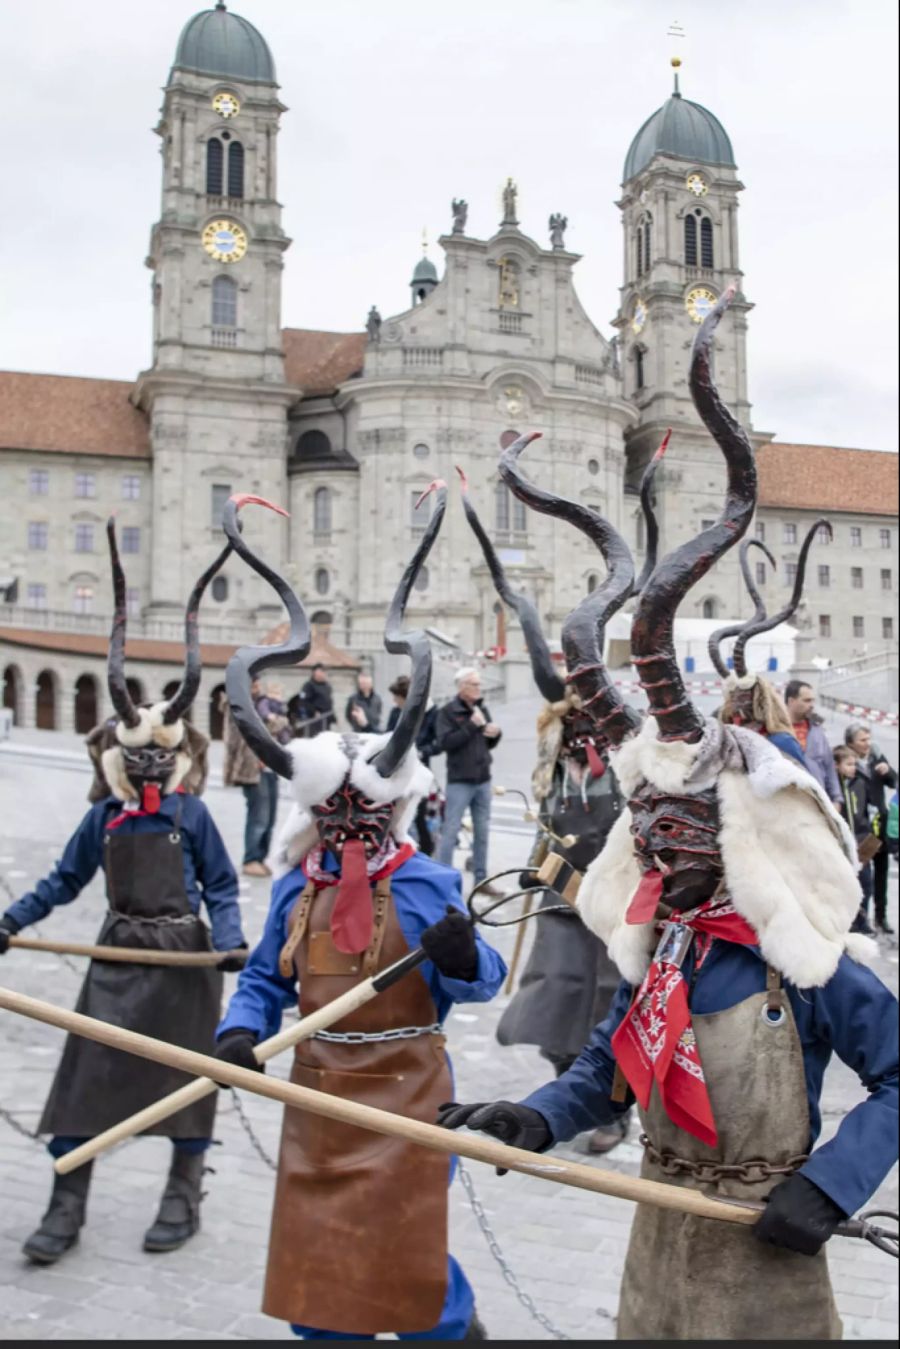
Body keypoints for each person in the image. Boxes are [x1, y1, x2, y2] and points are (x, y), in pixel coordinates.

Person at [438, 289, 899, 1340]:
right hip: (660, 1257)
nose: (649, 846)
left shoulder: (814, 965)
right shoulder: (670, 953)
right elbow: (610, 1067)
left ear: (739, 826)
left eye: (675, 827)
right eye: (646, 823)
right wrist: (534, 1116)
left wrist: (831, 1185)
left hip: (764, 1264)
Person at [211, 488, 505, 1340]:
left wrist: (459, 955)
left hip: (413, 1093)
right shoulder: (296, 888)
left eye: (362, 816)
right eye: (334, 818)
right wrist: (240, 1030)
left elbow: (485, 982)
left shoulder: (429, 880)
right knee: (323, 1276)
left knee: (413, 1271)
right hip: (322, 1094)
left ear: (392, 808)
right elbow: (266, 977)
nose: (348, 831)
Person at [0, 524, 247, 1265]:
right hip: (115, 949)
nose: (144, 766)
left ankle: (182, 1190)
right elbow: (62, 880)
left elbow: (223, 884)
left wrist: (231, 937)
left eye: (155, 756)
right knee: (86, 1075)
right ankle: (65, 1201)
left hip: (184, 959)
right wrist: (9, 920)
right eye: (131, 755)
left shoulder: (192, 814)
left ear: (171, 757)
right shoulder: (102, 816)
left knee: (187, 1081)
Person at [435, 668, 502, 894]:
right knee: (451, 830)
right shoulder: (447, 712)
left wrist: (494, 734)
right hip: (460, 781)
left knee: (482, 832)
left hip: (482, 778)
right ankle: (443, 882)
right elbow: (446, 743)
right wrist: (472, 725)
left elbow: (485, 743)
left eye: (479, 684)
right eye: (474, 684)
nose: (478, 688)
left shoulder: (481, 708)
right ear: (462, 687)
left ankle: (481, 881)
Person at [844, 722, 897, 936]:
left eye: (868, 739)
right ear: (851, 743)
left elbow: (894, 781)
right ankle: (860, 919)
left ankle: (881, 916)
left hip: (880, 825)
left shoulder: (876, 757)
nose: (867, 744)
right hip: (862, 829)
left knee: (881, 873)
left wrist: (887, 771)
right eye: (862, 740)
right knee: (863, 875)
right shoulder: (847, 763)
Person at [225, 676, 281, 877]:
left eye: (257, 684)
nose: (256, 688)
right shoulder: (238, 707)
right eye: (252, 684)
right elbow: (238, 739)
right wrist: (258, 755)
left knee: (270, 816)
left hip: (270, 767)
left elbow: (280, 726)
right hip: (252, 769)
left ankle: (260, 857)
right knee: (259, 815)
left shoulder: (263, 704)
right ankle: (251, 858)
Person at [387, 673, 439, 856]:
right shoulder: (396, 713)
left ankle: (424, 853)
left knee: (419, 818)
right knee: (397, 817)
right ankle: (399, 853)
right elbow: (387, 738)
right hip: (397, 772)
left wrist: (421, 751)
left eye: (397, 698)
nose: (394, 701)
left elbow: (438, 742)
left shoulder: (431, 713)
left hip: (419, 771)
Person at [833, 745, 877, 936]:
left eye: (854, 764)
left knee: (866, 883)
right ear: (836, 765)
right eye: (849, 764)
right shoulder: (833, 787)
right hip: (842, 843)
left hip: (861, 840)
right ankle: (848, 920)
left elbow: (868, 809)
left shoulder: (860, 782)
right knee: (845, 883)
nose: (853, 768)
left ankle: (863, 918)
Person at [784, 679, 841, 804]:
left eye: (812, 700)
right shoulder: (777, 731)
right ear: (791, 701)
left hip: (818, 801)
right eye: (806, 700)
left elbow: (829, 766)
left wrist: (836, 799)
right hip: (788, 801)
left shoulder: (817, 731)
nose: (811, 705)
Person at [289, 663, 336, 738]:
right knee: (316, 739)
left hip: (326, 718)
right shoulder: (308, 686)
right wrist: (313, 711)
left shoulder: (327, 686)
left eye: (324, 672)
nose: (324, 674)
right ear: (315, 673)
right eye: (321, 671)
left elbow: (329, 702)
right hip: (314, 719)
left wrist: (334, 718)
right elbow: (303, 701)